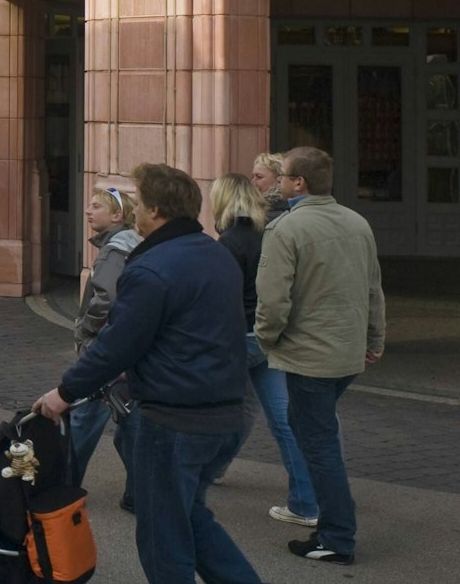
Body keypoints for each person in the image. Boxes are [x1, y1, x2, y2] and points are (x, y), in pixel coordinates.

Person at [33, 162, 262, 584]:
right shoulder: (215, 253)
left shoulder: (151, 268)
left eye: (138, 203)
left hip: (175, 419)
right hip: (222, 410)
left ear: (155, 210)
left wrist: (64, 393)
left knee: (163, 539)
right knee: (190, 518)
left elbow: (117, 346)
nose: (134, 211)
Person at [256, 146, 386, 566]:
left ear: (300, 183)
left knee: (318, 442)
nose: (278, 184)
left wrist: (266, 339)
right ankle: (332, 529)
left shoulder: (286, 229)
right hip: (345, 351)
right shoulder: (357, 222)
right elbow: (373, 288)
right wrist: (375, 338)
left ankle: (336, 537)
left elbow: (273, 301)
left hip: (308, 354)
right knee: (314, 430)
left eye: (284, 177)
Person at [210, 173, 317, 528]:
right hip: (267, 336)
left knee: (220, 408)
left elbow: (223, 297)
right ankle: (306, 500)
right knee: (281, 419)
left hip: (241, 336)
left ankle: (203, 470)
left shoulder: (228, 242)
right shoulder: (267, 234)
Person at [66, 185, 141, 495]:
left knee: (84, 415)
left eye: (96, 206)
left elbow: (105, 298)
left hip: (105, 345)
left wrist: (85, 327)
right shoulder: (133, 243)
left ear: (117, 215)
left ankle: (63, 487)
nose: (88, 210)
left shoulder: (114, 249)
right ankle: (141, 490)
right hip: (125, 344)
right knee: (129, 420)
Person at [251, 151, 291, 221]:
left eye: (259, 177)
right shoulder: (248, 209)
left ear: (279, 180)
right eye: (252, 177)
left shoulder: (287, 212)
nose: (253, 182)